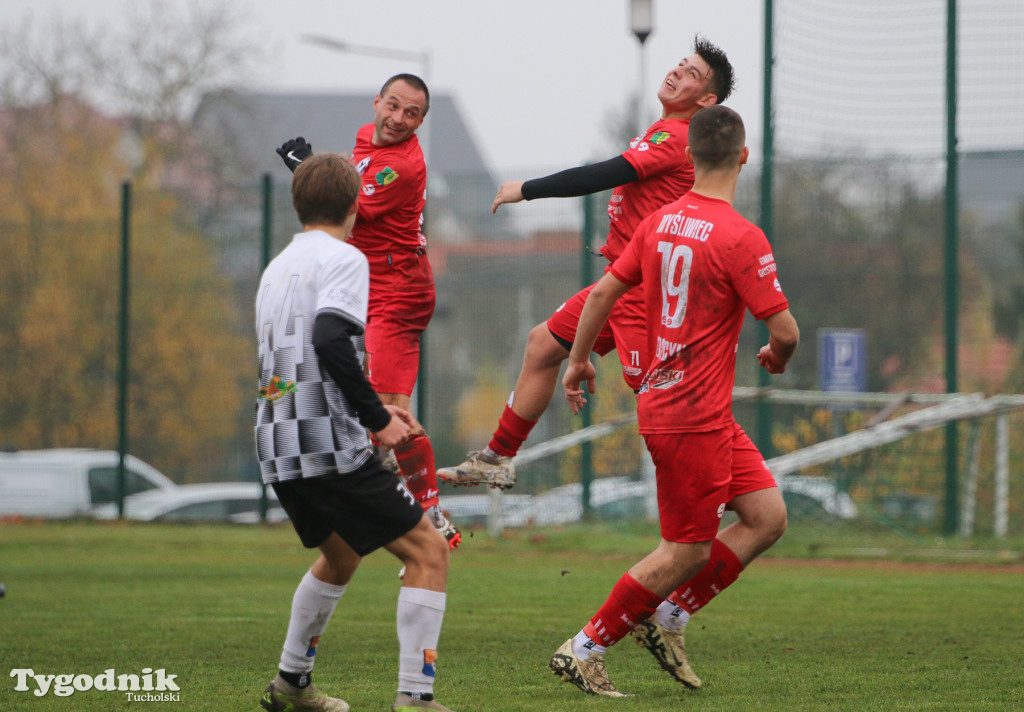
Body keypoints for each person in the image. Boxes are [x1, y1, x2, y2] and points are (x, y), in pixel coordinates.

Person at [550, 105, 799, 697]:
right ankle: (584, 649)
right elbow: (786, 332)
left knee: (767, 517)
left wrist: (579, 360)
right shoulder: (741, 236)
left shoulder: (660, 222)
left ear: (688, 157)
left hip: (686, 408)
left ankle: (670, 616)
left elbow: (605, 290)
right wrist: (778, 357)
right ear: (744, 157)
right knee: (684, 551)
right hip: (692, 417)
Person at [437, 36, 734, 490]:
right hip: (620, 284)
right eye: (679, 64)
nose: (676, 73)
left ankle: (725, 483)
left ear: (707, 100)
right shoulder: (664, 130)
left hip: (643, 293)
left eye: (691, 74)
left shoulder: (676, 136)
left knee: (661, 404)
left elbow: (604, 173)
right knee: (543, 346)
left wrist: (527, 189)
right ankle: (496, 457)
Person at [255, 152, 456, 712]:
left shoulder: (277, 268)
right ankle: (416, 699)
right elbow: (327, 339)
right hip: (326, 442)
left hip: (276, 440)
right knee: (428, 551)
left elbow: (302, 356)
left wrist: (370, 407)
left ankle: (291, 686)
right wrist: (378, 419)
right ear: (355, 205)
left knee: (341, 555)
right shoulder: (346, 257)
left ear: (298, 204)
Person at [277, 73, 460, 552]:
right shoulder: (364, 139)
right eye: (393, 105)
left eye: (411, 113)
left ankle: (432, 513)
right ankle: (382, 499)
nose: (398, 119)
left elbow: (347, 204)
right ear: (377, 101)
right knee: (357, 407)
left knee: (387, 414)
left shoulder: (402, 166)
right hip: (365, 289)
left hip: (399, 292)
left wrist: (305, 167)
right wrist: (315, 165)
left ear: (421, 122)